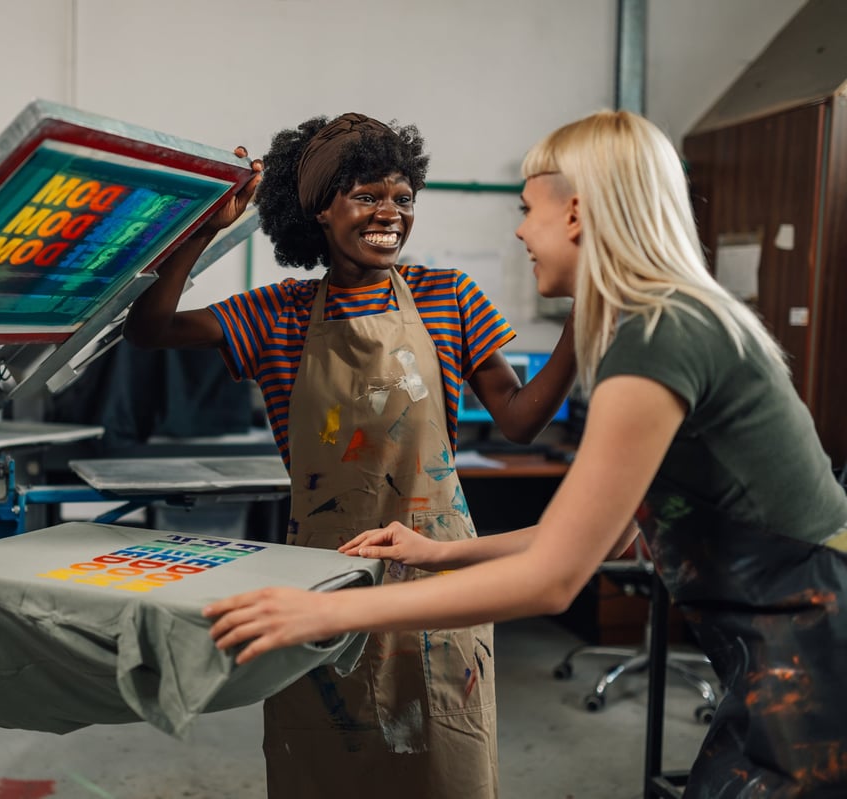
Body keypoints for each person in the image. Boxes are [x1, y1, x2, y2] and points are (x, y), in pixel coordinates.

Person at [202, 110, 847, 799]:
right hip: (779, 653)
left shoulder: (661, 336)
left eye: (526, 208)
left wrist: (324, 612)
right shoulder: (666, 318)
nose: (518, 229)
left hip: (813, 653)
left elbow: (554, 578)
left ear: (575, 214)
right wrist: (439, 551)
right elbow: (600, 535)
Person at [124, 113, 576, 798]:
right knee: (327, 764)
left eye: (402, 197)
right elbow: (149, 327)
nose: (389, 213)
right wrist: (205, 229)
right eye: (367, 195)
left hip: (441, 577)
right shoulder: (276, 313)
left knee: (444, 762)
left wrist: (585, 318)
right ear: (319, 210)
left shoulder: (448, 296)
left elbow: (518, 420)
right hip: (326, 579)